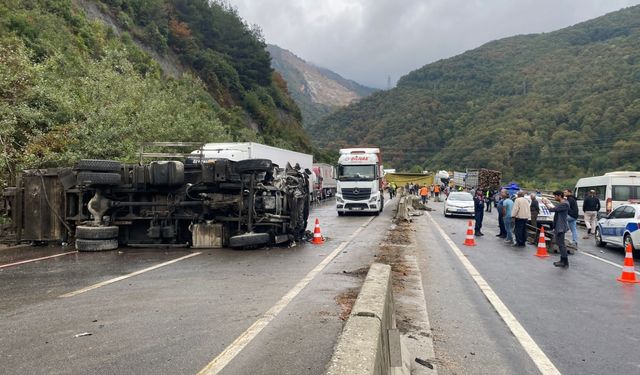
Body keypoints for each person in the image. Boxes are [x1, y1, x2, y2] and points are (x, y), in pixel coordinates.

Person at [543, 191, 570, 268]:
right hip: (559, 226)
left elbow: (552, 209)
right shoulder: (563, 203)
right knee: (560, 244)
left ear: (559, 196)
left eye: (555, 196)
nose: (554, 198)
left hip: (561, 226)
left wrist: (545, 203)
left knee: (561, 245)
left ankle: (565, 262)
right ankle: (562, 260)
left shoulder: (564, 204)